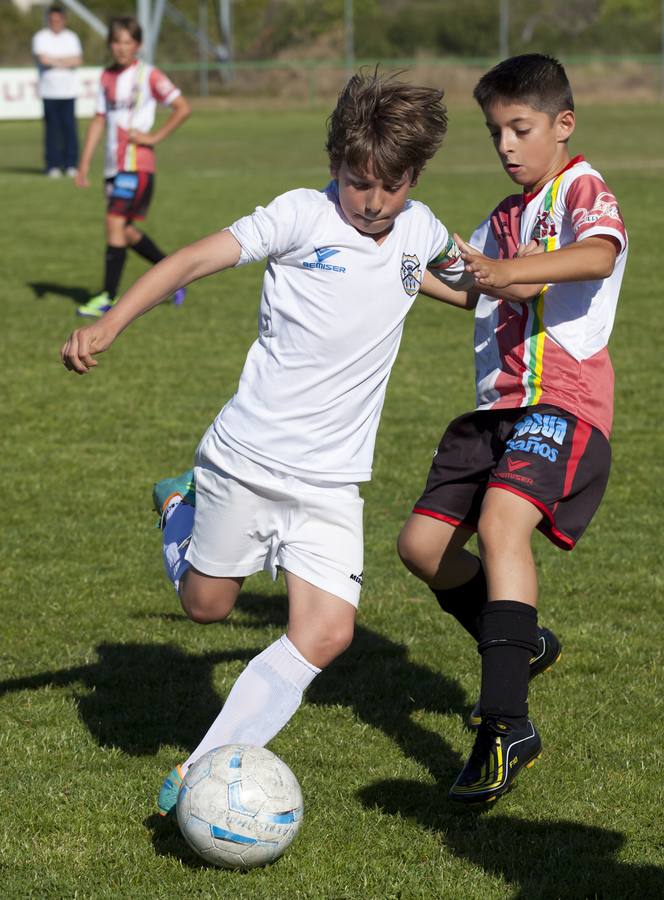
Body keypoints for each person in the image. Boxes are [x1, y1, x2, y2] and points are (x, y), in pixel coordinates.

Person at [61, 72, 473, 816]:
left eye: (391, 186)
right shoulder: (299, 216)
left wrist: (535, 283)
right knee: (208, 608)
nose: (373, 201)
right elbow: (188, 260)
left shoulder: (420, 231)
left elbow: (466, 281)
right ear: (335, 167)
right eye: (357, 183)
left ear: (416, 176)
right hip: (246, 461)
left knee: (327, 632)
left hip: (331, 483)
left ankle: (200, 770)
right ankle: (179, 505)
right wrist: (110, 323)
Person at [396, 53, 629, 804]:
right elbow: (475, 291)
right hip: (493, 409)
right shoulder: (501, 216)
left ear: (562, 125)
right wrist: (398, 269)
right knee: (422, 549)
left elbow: (597, 255)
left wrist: (508, 274)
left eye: (519, 129)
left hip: (561, 404)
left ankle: (505, 725)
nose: (505, 144)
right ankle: (520, 643)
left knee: (502, 527)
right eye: (495, 131)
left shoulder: (580, 190)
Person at [74, 16, 191, 318]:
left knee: (114, 223)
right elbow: (100, 119)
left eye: (128, 42)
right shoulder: (106, 78)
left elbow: (182, 107)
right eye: (116, 42)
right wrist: (85, 163)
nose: (121, 48)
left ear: (137, 45)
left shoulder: (148, 75)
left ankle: (106, 298)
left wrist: (153, 137)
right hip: (114, 166)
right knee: (124, 231)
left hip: (136, 165)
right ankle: (174, 278)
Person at [32, 4, 82, 177]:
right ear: (48, 20)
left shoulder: (72, 37)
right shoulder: (41, 37)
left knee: (70, 129)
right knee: (52, 130)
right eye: (52, 20)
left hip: (69, 91)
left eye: (58, 20)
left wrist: (54, 61)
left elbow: (76, 60)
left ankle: (71, 164)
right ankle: (52, 165)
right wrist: (63, 61)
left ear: (64, 20)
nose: (55, 23)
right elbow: (43, 59)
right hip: (49, 91)